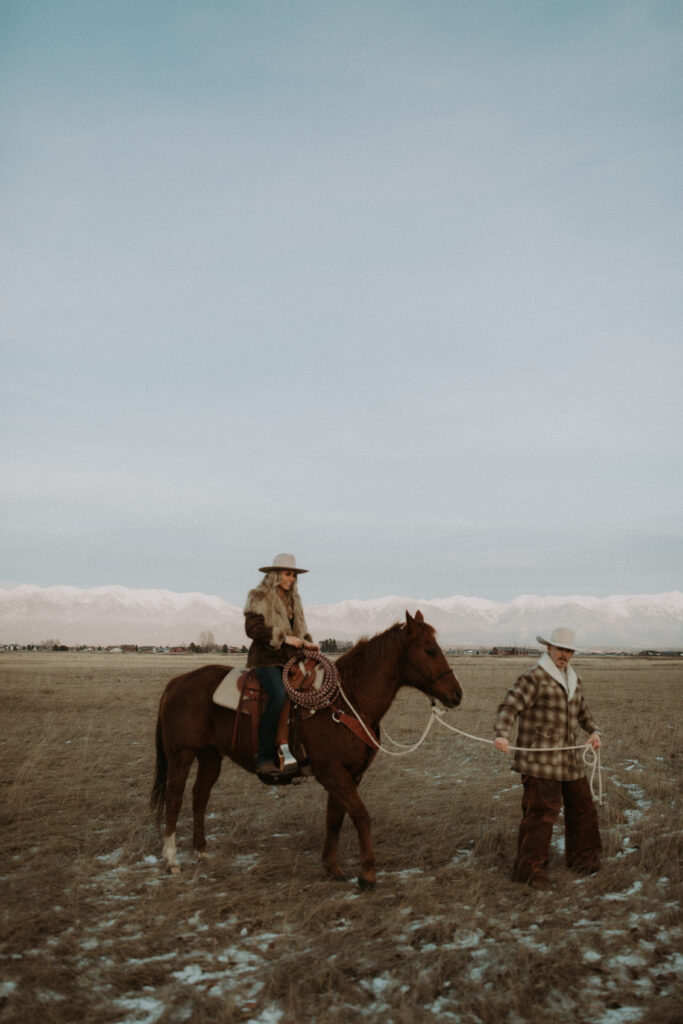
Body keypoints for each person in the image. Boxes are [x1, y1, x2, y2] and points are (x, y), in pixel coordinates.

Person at [493, 626, 602, 889]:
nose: (564, 654)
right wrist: (502, 734)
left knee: (583, 808)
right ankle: (529, 870)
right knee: (541, 814)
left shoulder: (574, 679)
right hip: (539, 761)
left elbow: (583, 712)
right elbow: (510, 705)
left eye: (568, 650)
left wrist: (594, 731)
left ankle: (583, 861)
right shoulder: (533, 678)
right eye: (560, 649)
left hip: (569, 761)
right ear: (548, 649)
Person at [243, 553, 318, 781]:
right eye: (288, 574)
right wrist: (282, 638)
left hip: (291, 660)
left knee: (309, 695)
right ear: (276, 575)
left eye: (294, 575)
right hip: (266, 659)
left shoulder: (295, 600)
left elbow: (299, 631)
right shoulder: (259, 597)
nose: (292, 579)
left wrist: (306, 641)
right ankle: (264, 758)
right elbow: (252, 629)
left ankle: (297, 755)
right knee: (277, 695)